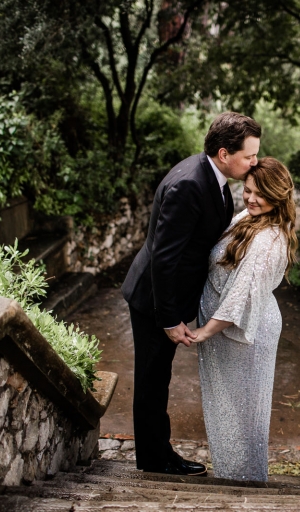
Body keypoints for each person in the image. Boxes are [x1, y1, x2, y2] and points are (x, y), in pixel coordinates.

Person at [121, 112, 261, 475]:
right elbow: (165, 260)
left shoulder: (211, 175)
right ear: (224, 152)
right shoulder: (189, 184)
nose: (254, 162)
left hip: (169, 297)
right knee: (152, 380)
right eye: (249, 156)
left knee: (159, 377)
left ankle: (160, 452)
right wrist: (168, 318)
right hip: (153, 300)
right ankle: (154, 461)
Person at [189, 157, 298, 481]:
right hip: (223, 337)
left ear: (278, 195)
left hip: (245, 338)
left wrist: (203, 332)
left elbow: (242, 296)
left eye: (259, 194)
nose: (250, 199)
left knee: (243, 416)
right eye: (247, 190)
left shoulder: (268, 240)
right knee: (225, 412)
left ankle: (244, 482)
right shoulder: (249, 218)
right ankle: (230, 474)